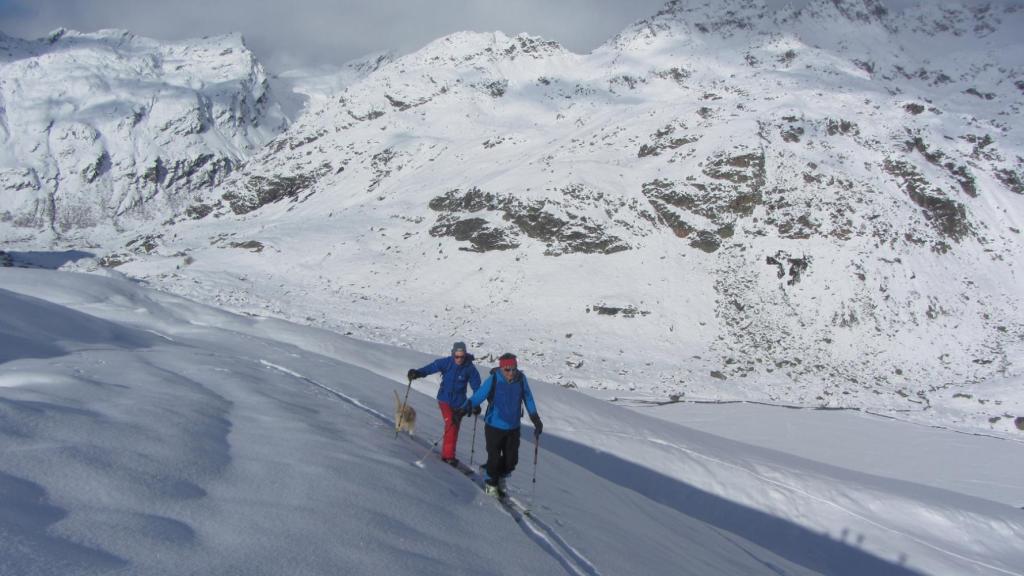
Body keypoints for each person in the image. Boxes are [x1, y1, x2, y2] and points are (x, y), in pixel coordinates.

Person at [454, 353, 542, 498]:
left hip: (513, 427)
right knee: (494, 458)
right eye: (507, 369)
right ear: (501, 368)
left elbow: (528, 398)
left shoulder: (521, 379)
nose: (511, 373)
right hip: (493, 426)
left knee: (511, 461)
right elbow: (479, 395)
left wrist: (536, 419)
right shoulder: (494, 379)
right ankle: (491, 482)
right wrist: (464, 409)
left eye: (514, 369)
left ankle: (496, 474)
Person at [407, 342, 481, 466]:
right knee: (451, 423)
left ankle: (449, 453)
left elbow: (477, 387)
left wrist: (475, 403)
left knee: (454, 427)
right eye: (457, 356)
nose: (459, 359)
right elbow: (431, 368)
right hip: (444, 399)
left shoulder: (470, 368)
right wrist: (418, 373)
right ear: (453, 354)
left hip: (460, 403)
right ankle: (448, 456)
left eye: (462, 356)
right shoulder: (446, 362)